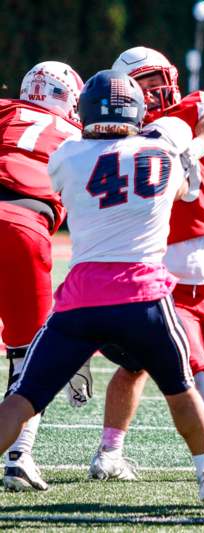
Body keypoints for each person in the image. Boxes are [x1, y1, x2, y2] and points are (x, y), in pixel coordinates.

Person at [0, 69, 204, 522]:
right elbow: (186, 188)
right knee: (182, 389)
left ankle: (21, 454)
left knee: (23, 395)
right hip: (144, 296)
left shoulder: (69, 154)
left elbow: (58, 183)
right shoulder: (163, 153)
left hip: (80, 302)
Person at [88, 47, 204, 488]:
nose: (155, 89)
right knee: (146, 365)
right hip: (153, 270)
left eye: (158, 79)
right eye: (143, 83)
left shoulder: (191, 110)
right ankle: (114, 451)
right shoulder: (114, 135)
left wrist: (192, 147)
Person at [0, 61, 84, 492]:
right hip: (22, 228)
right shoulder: (82, 137)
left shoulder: (6, 111)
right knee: (29, 357)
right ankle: (19, 457)